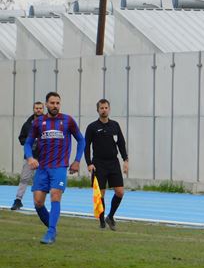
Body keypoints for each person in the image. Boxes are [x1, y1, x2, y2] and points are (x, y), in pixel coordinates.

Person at [24, 92, 85, 245]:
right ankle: (52, 229)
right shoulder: (38, 122)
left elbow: (81, 140)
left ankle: (50, 233)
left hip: (59, 166)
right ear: (46, 104)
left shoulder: (68, 120)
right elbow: (28, 143)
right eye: (52, 103)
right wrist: (30, 158)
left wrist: (77, 160)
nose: (55, 106)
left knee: (55, 195)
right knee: (38, 202)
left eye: (57, 103)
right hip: (42, 167)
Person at [84, 99, 128, 230]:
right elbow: (86, 146)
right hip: (99, 164)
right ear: (97, 110)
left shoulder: (115, 125)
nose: (104, 110)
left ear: (109, 109)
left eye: (106, 108)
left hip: (113, 162)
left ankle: (110, 216)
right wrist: (89, 163)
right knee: (100, 194)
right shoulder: (92, 127)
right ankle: (102, 221)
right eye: (101, 108)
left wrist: (125, 160)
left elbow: (121, 143)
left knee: (120, 192)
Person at [10, 101, 44, 210]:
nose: (38, 110)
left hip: (44, 157)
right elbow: (21, 138)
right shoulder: (27, 124)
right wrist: (31, 142)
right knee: (24, 179)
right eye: (36, 108)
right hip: (29, 157)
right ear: (33, 109)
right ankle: (18, 200)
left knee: (41, 181)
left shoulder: (48, 122)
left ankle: (40, 203)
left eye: (40, 108)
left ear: (43, 109)